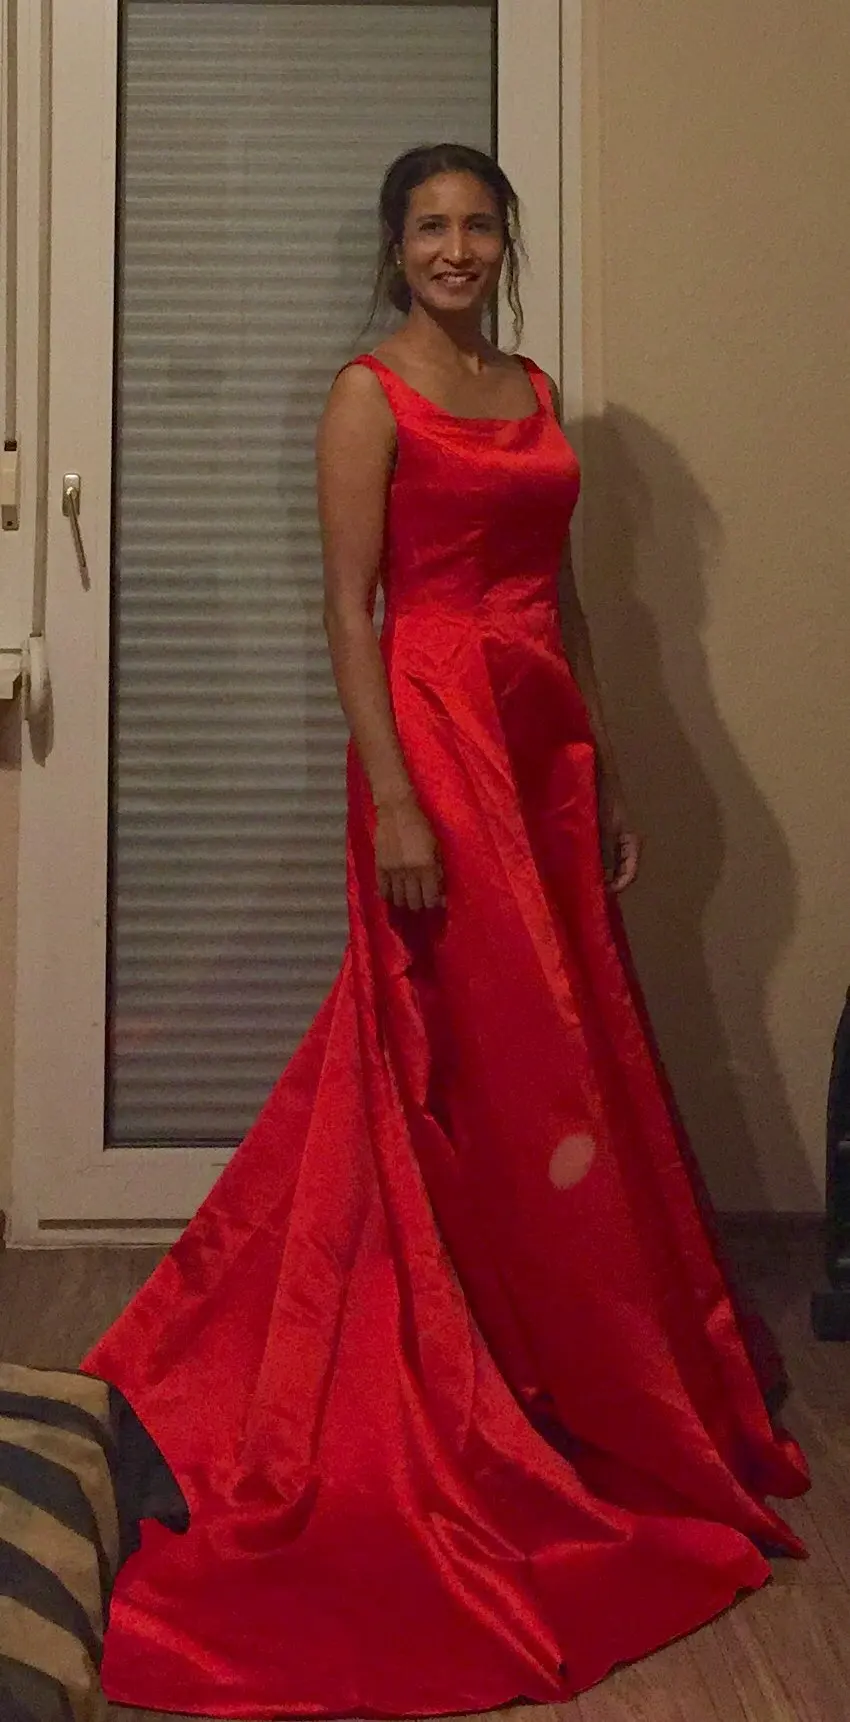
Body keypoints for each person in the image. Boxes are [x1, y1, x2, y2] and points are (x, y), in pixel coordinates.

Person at [82, 142, 809, 1717]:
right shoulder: (369, 394)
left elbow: (567, 599)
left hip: (536, 737)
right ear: (395, 246)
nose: (456, 248)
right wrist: (398, 799)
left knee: (557, 1053)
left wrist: (598, 764)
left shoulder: (528, 389)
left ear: (503, 241)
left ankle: (554, 1342)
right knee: (466, 1048)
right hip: (434, 737)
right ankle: (453, 1361)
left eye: (479, 224)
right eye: (430, 227)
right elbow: (348, 608)